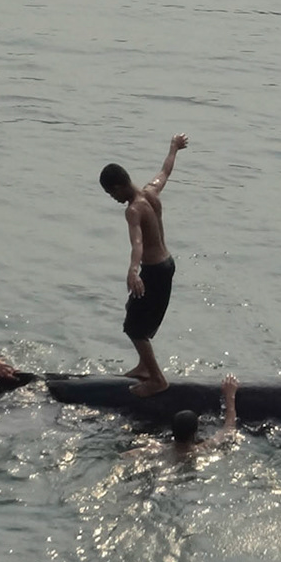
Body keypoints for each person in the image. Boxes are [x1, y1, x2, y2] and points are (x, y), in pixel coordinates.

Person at [99, 133, 188, 396]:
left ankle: (157, 379)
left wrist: (133, 270)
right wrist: (173, 147)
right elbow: (165, 171)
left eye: (109, 193)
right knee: (134, 311)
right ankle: (143, 366)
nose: (112, 198)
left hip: (153, 271)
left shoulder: (133, 209)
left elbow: (137, 242)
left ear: (117, 187)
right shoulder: (151, 191)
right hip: (166, 264)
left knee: (134, 327)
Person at [170, 375, 240, 449]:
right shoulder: (203, 449)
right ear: (194, 434)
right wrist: (230, 395)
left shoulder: (159, 449)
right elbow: (229, 428)